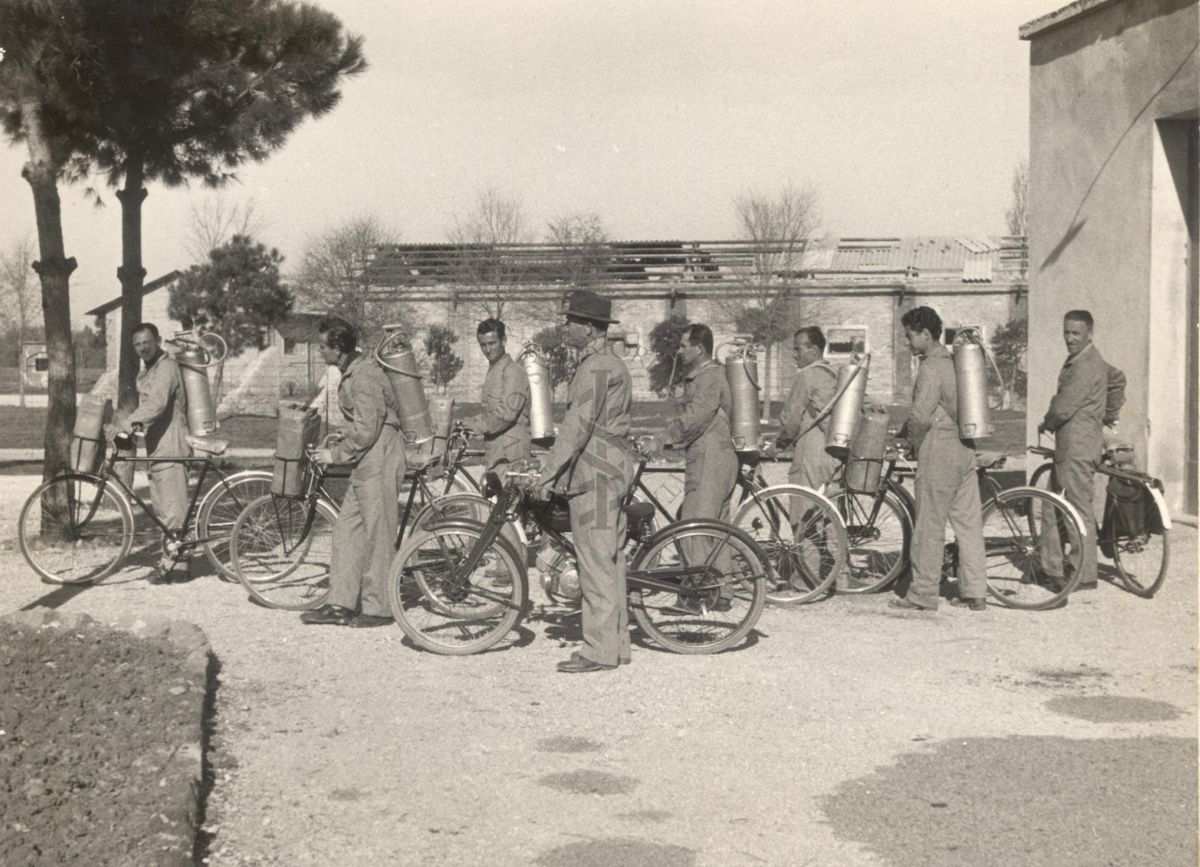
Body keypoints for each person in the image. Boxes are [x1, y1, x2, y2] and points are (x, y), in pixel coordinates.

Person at [536, 290, 634, 673]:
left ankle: (598, 651)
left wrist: (548, 474)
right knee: (611, 562)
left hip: (595, 472)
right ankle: (617, 644)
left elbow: (578, 426)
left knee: (594, 564)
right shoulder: (612, 364)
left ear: (590, 328)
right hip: (612, 468)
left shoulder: (596, 368)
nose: (566, 327)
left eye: (572, 321)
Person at [300, 317, 406, 628]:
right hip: (368, 457)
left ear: (339, 348)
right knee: (347, 530)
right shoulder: (353, 372)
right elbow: (361, 424)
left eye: (323, 347)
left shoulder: (365, 375)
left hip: (381, 454)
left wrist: (334, 455)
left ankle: (379, 608)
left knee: (378, 533)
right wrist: (340, 438)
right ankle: (340, 603)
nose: (320, 351)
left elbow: (367, 428)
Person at [890, 306, 987, 612]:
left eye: (910, 336)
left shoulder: (931, 367)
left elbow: (920, 415)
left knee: (930, 523)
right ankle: (976, 592)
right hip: (965, 447)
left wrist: (908, 439)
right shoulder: (959, 363)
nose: (907, 342)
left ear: (926, 335)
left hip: (940, 447)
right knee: (969, 524)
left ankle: (923, 593)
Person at [1037, 309, 1109, 591]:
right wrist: (1106, 412)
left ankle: (1083, 574)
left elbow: (1063, 406)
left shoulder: (1085, 365)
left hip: (1077, 448)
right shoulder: (1083, 360)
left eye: (1076, 333)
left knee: (1077, 511)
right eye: (1066, 332)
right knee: (1051, 505)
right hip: (1072, 446)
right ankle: (1052, 568)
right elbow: (1117, 380)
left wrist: (1047, 422)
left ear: (1089, 334)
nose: (1069, 338)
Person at [114, 323, 191, 583]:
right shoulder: (150, 370)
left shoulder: (167, 367)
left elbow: (157, 404)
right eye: (137, 344)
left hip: (173, 443)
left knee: (173, 508)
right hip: (158, 444)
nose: (142, 348)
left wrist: (126, 424)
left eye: (147, 342)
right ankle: (176, 564)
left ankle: (174, 565)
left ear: (157, 340)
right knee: (163, 507)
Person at [665, 323, 737, 530]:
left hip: (710, 462)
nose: (679, 351)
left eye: (683, 346)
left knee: (694, 532)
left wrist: (659, 441)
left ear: (698, 349)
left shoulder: (709, 377)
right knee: (716, 537)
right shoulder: (708, 375)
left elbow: (695, 418)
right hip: (714, 459)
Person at [776, 326, 838, 490]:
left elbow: (791, 419)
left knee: (803, 511)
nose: (794, 355)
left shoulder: (806, 375)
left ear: (815, 350)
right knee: (830, 511)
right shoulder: (833, 374)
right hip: (834, 454)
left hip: (810, 455)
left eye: (798, 349)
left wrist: (778, 445)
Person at [476, 318, 531, 472]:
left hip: (510, 456)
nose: (488, 350)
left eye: (492, 343)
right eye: (483, 345)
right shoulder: (494, 370)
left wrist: (477, 426)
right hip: (497, 454)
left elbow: (507, 414)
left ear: (504, 341)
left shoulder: (512, 371)